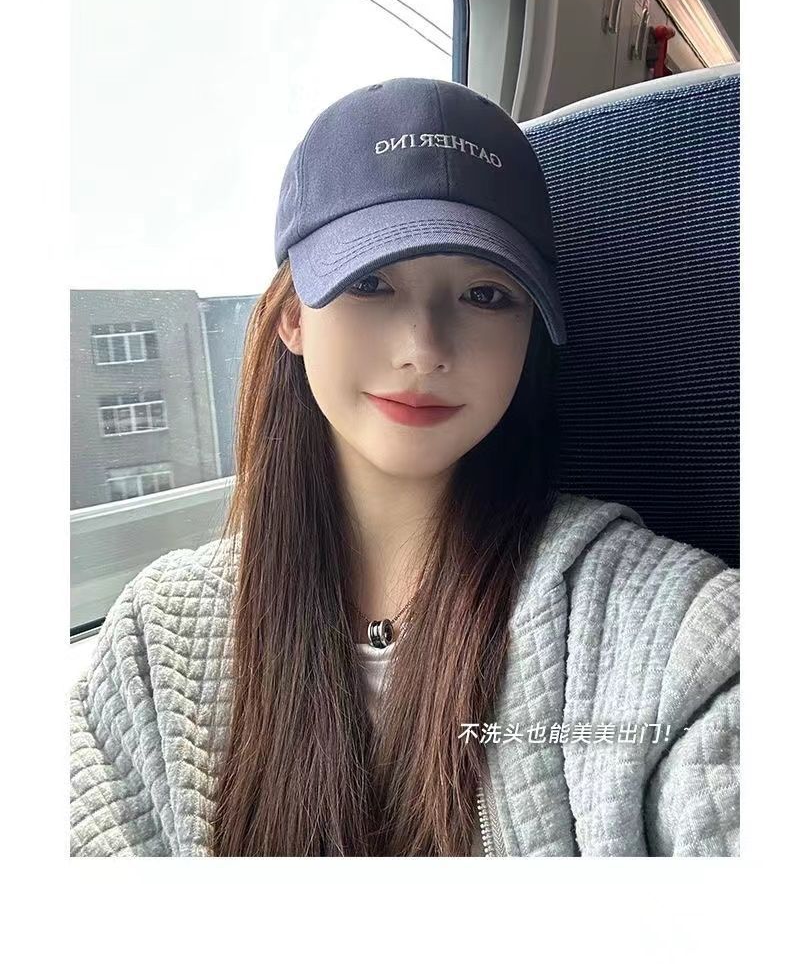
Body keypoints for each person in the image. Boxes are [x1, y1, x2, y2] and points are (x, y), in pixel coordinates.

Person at [70, 77, 739, 857]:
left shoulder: (670, 629)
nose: (424, 349)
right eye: (370, 282)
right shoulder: (155, 645)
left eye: (485, 294)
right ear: (292, 317)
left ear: (531, 331)